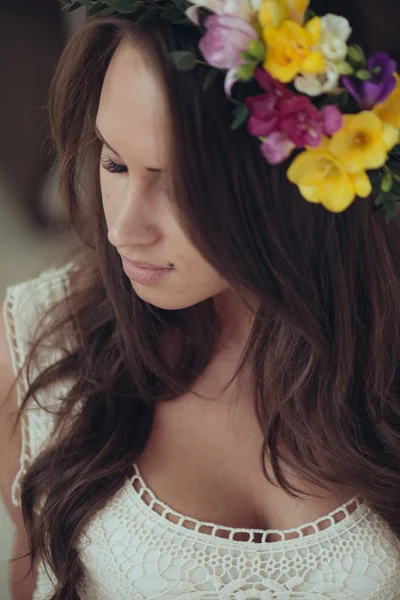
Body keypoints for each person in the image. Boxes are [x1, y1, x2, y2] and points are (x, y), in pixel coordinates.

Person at [1, 0, 400, 598]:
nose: (122, 231)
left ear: (295, 177)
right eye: (114, 162)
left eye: (179, 185)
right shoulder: (34, 340)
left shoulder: (381, 343)